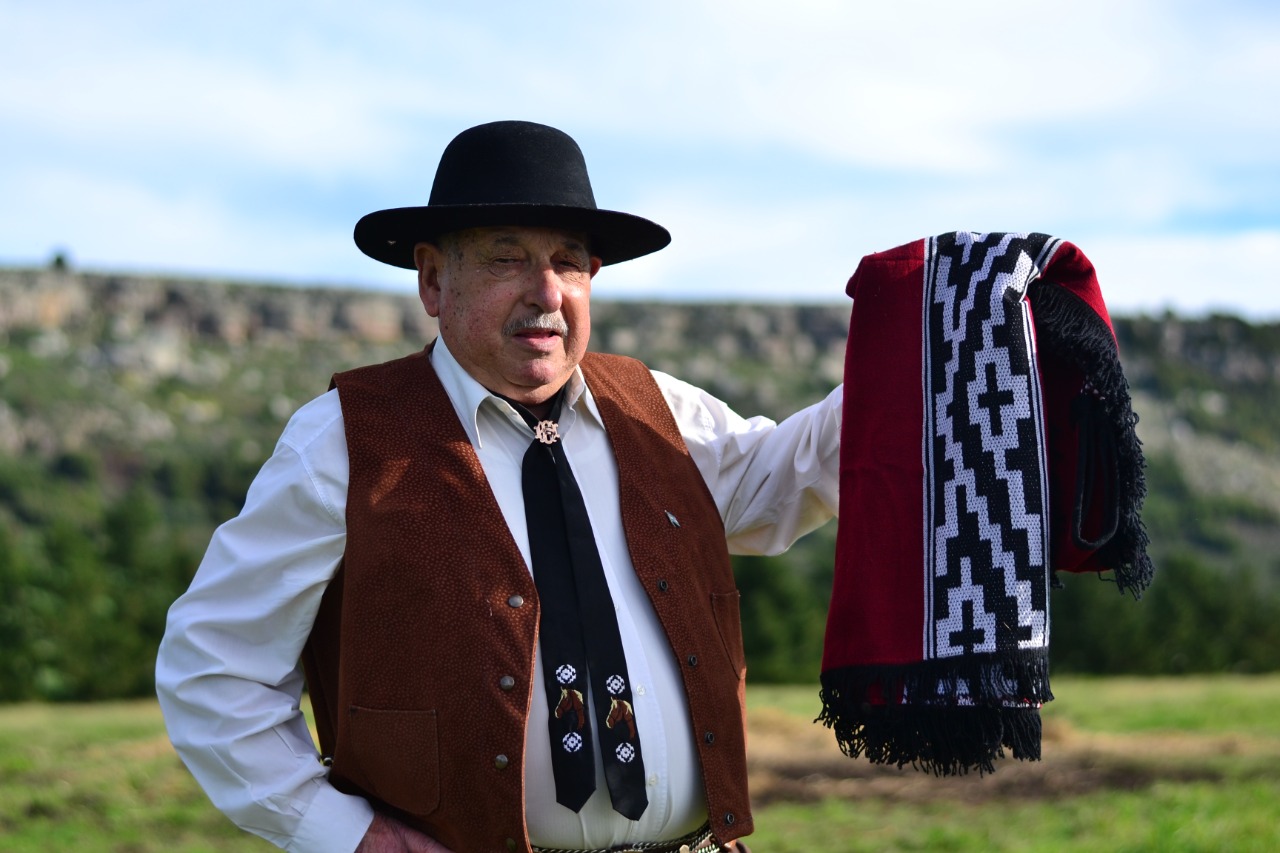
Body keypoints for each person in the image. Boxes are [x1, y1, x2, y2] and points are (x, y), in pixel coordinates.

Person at [156, 120, 843, 853]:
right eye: (506, 259)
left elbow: (791, 475)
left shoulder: (657, 410)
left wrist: (913, 328)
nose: (545, 292)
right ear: (432, 279)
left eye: (568, 263)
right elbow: (214, 667)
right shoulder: (343, 438)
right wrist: (352, 838)